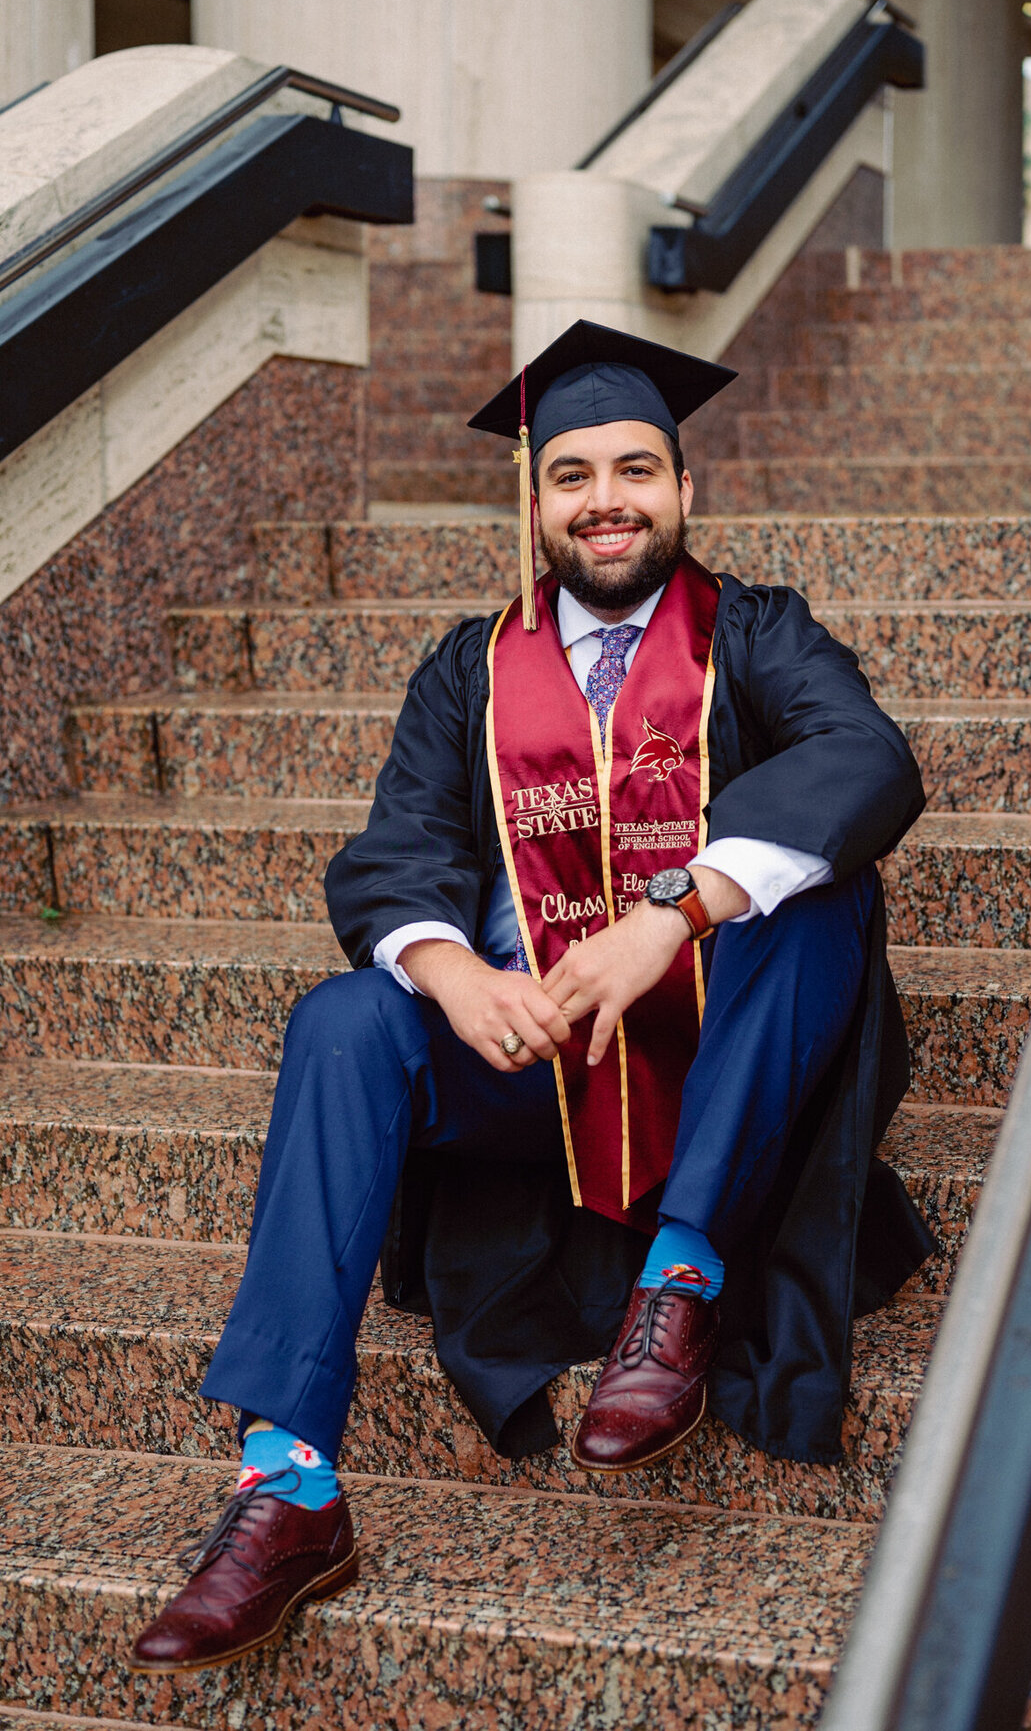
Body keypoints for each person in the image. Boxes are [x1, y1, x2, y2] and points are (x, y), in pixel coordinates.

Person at [129, 320, 932, 1675]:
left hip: (729, 1050)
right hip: (538, 1067)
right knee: (344, 1019)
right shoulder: (468, 671)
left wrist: (669, 920)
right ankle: (291, 1485)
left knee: (820, 895)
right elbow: (395, 849)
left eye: (636, 468)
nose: (606, 500)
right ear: (537, 502)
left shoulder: (760, 635)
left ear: (685, 491)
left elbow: (868, 757)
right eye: (573, 474)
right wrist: (456, 975)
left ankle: (679, 1282)